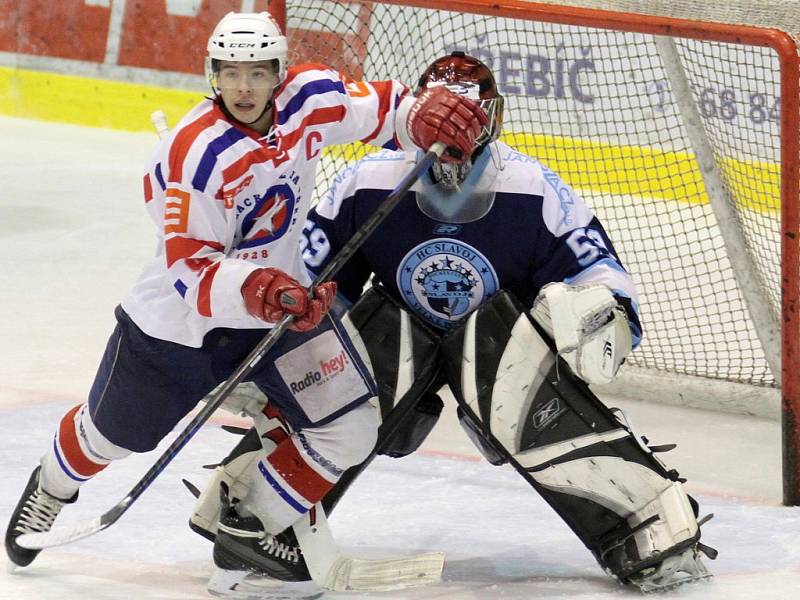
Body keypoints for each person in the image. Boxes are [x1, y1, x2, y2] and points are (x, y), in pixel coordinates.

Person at [188, 52, 717, 594]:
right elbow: (307, 282)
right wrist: (264, 348)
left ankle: (646, 516)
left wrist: (599, 309)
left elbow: (600, 272)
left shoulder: (534, 190)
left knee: (503, 361)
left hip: (501, 348)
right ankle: (256, 511)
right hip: (392, 338)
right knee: (357, 356)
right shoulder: (368, 181)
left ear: (495, 118)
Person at [4, 11, 488, 593]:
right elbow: (192, 273)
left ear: (278, 73)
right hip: (181, 327)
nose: (243, 87)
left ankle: (249, 528)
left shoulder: (307, 98)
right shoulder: (195, 156)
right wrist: (266, 291)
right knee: (108, 439)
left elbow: (380, 110)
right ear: (212, 74)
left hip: (285, 313)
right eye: (230, 73)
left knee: (351, 428)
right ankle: (52, 486)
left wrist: (421, 115)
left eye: (257, 73)